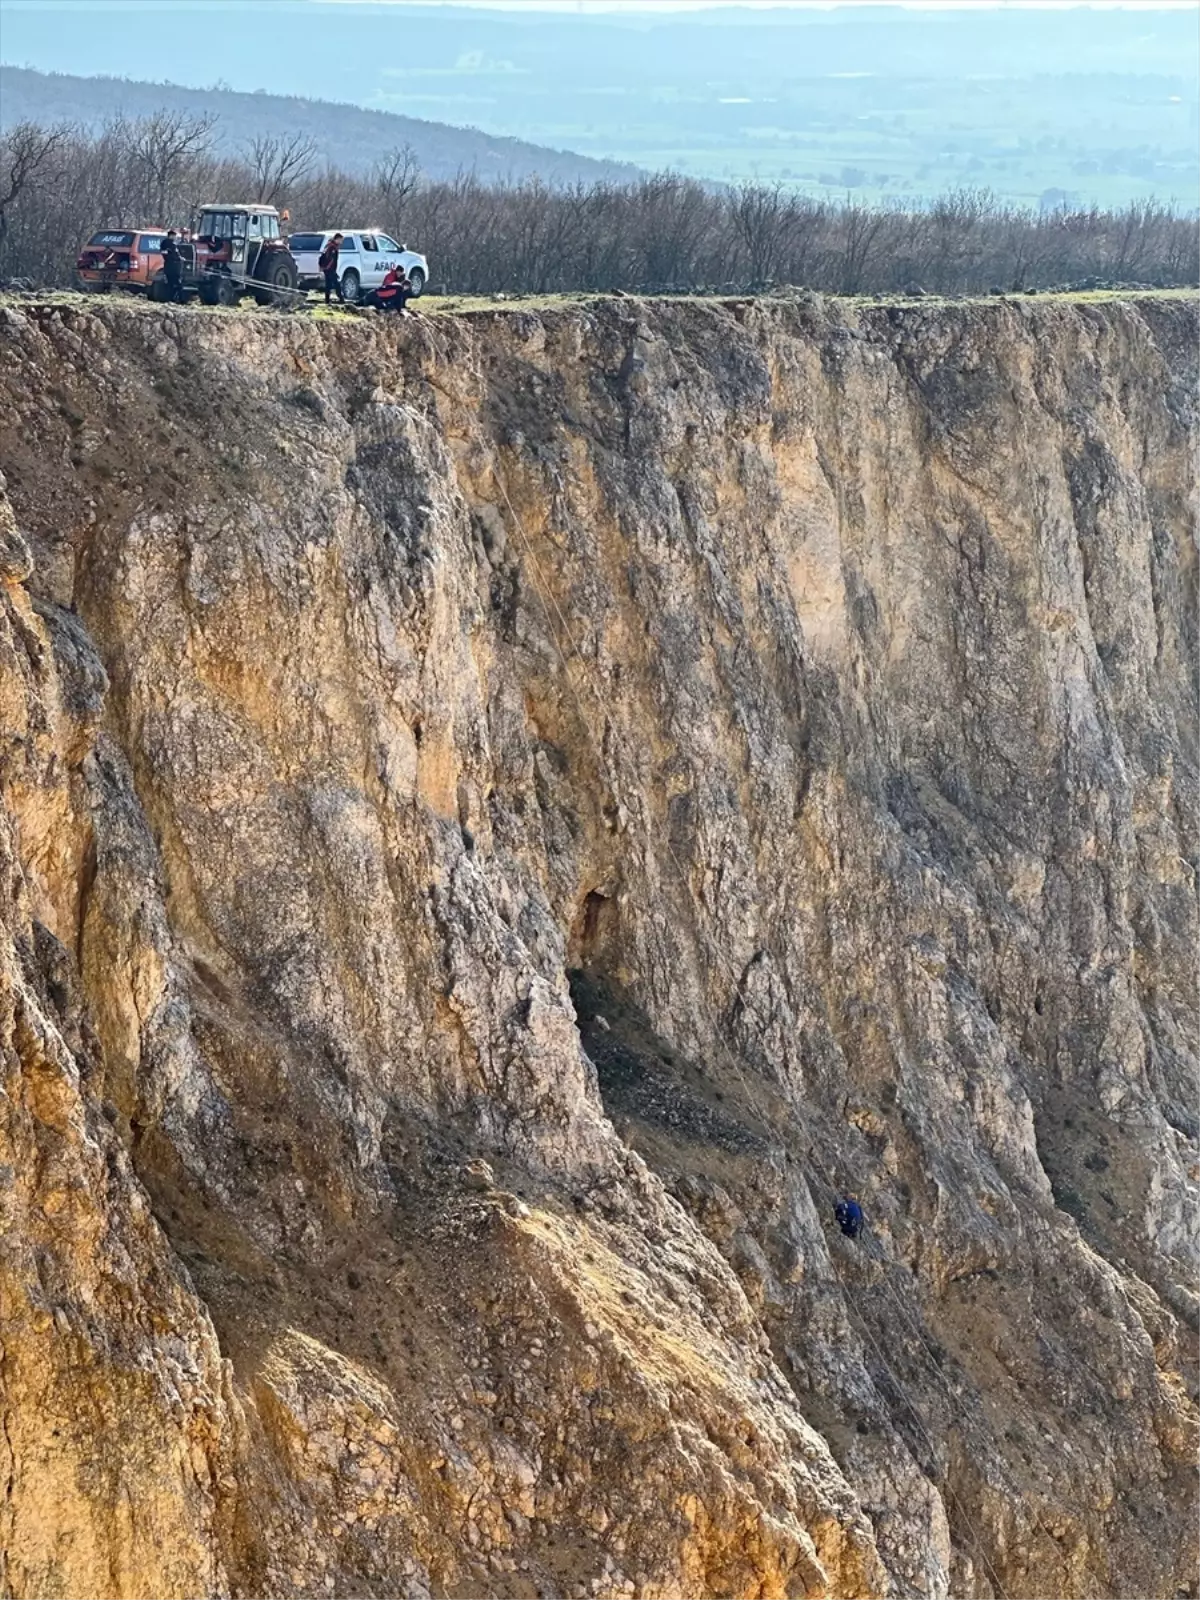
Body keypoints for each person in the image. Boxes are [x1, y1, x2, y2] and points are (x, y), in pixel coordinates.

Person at [319, 233, 344, 304]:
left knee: (328, 284)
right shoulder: (333, 248)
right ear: (337, 239)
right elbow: (331, 260)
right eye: (341, 240)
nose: (341, 242)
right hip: (330, 269)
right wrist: (332, 271)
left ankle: (327, 300)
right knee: (337, 284)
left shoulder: (328, 245)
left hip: (326, 269)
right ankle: (341, 299)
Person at [161, 228, 184, 302]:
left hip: (171, 266)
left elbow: (174, 254)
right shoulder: (168, 244)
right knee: (175, 284)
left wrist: (180, 257)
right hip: (172, 266)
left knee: (171, 284)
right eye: (174, 236)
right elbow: (169, 255)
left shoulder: (171, 244)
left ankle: (172, 298)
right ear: (171, 236)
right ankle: (176, 299)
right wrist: (178, 258)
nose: (175, 237)